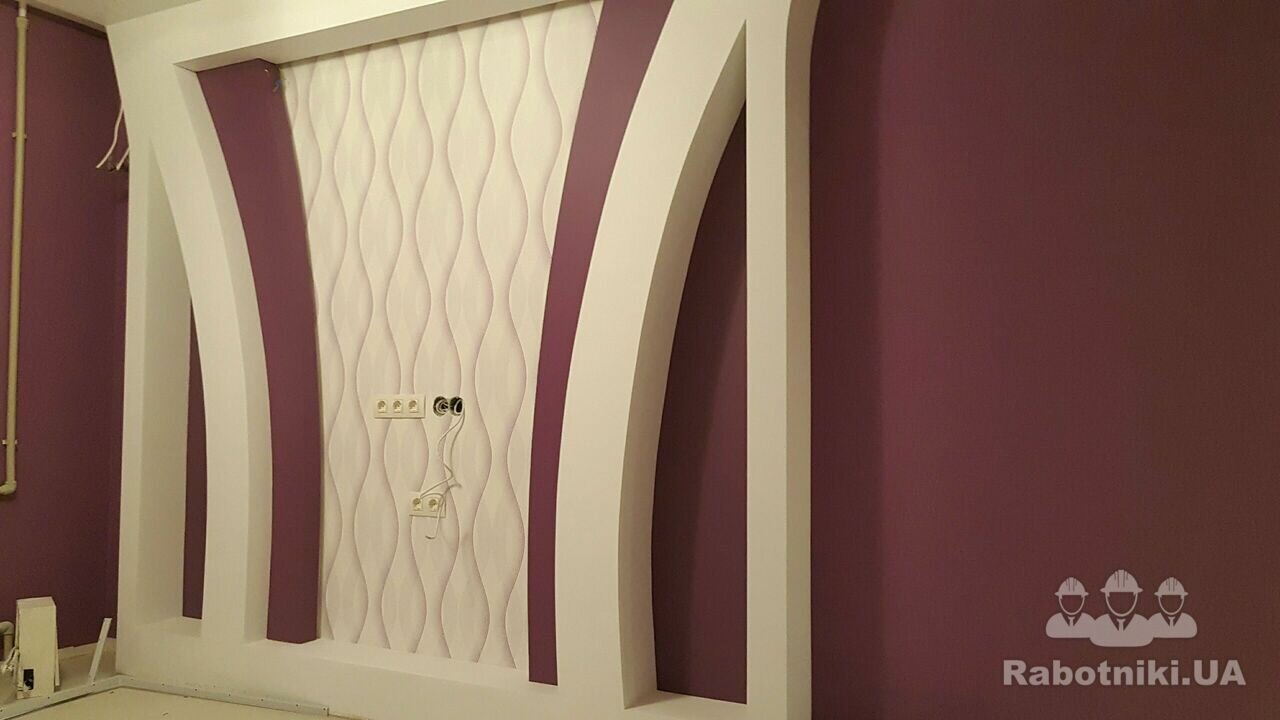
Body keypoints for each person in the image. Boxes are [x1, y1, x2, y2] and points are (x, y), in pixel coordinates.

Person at [1090, 569, 1152, 648]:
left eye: (1127, 596)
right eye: (1115, 596)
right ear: (1107, 597)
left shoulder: (1143, 625)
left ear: (1135, 597)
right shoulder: (1099, 625)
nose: (1121, 601)